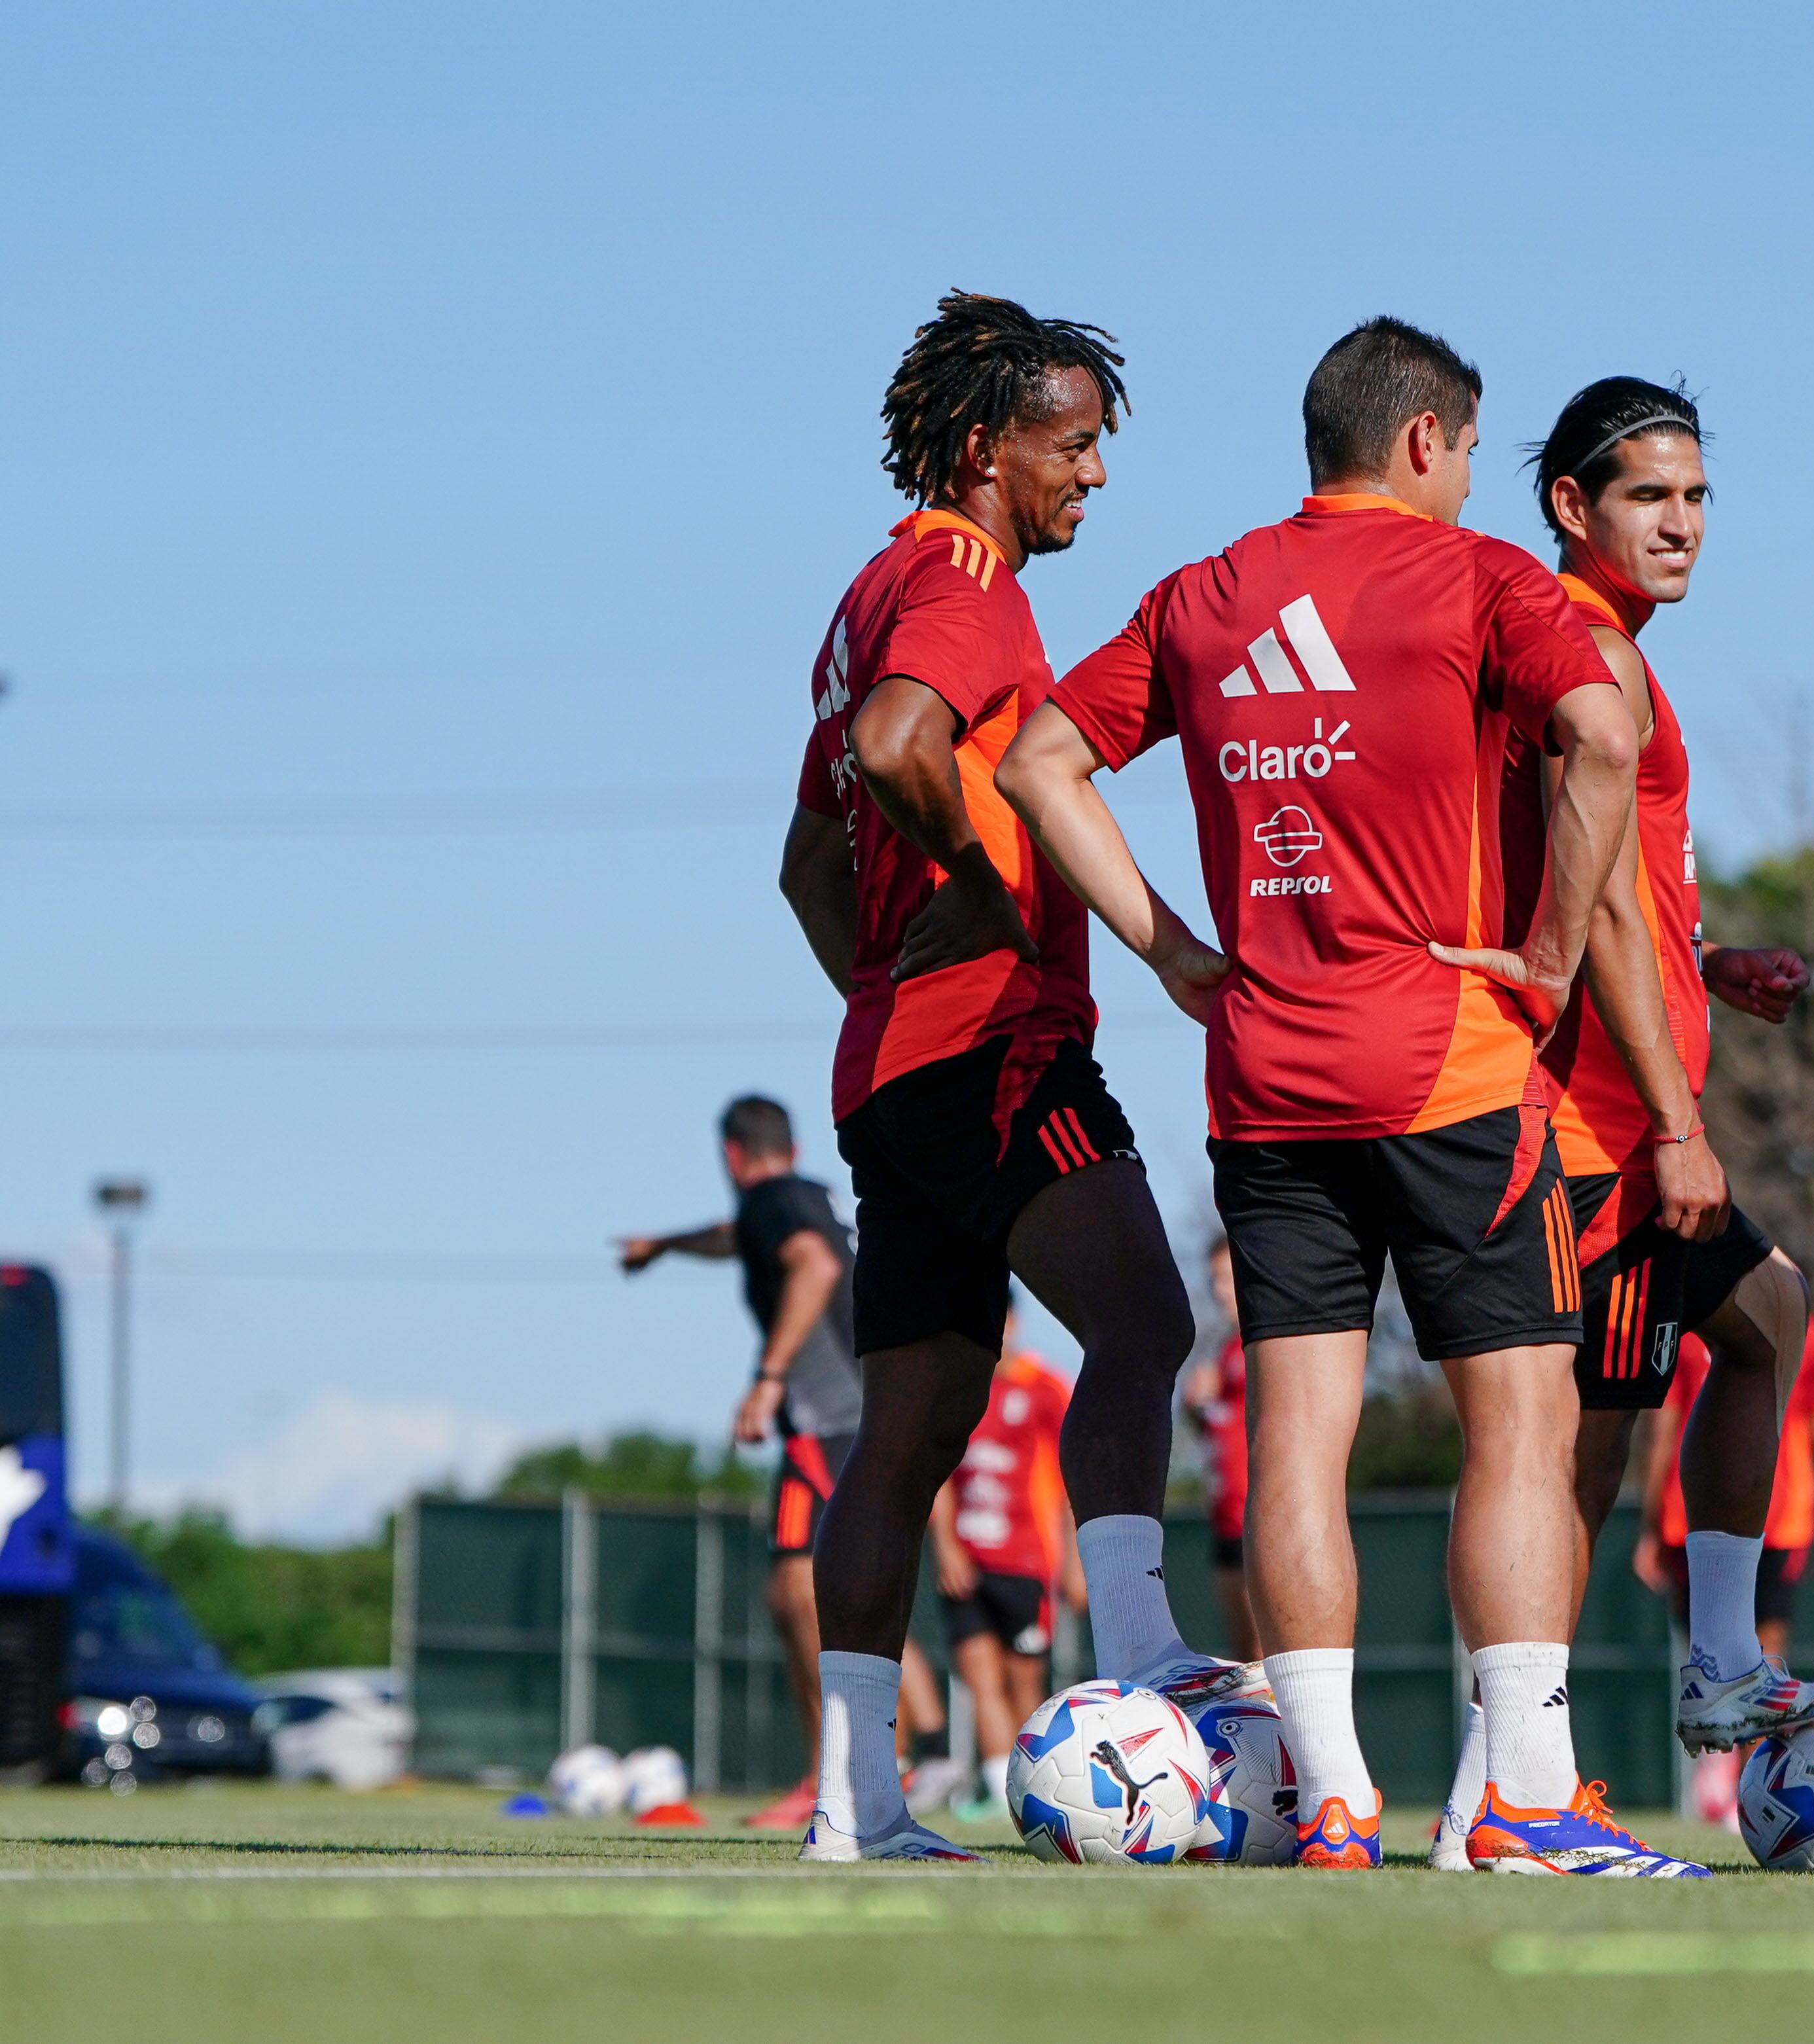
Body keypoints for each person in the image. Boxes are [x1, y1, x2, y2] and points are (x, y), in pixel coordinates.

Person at [1003, 317, 1698, 1874]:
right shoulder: (1479, 582)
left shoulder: (1205, 595)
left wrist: (1170, 945)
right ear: (1428, 442)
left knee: (1297, 1442)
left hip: (1263, 1084)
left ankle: (1333, 1803)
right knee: (1519, 1423)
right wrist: (1541, 947)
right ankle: (1515, 1798)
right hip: (1449, 1065)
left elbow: (1043, 760)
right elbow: (1604, 729)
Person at [777, 293, 1232, 1863]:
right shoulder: (963, 582)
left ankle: (857, 1805)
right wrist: (975, 906)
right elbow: (905, 747)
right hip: (992, 1050)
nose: (1093, 478)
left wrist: (881, 982)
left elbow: (803, 863)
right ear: (988, 450)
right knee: (1148, 1317)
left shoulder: (870, 588)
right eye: (1075, 444)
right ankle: (1141, 1659)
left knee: (912, 1429)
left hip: (893, 1071)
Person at [1425, 379, 1814, 1873]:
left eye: (1699, 498)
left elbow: (1613, 898)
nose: (1681, 524)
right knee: (1573, 1467)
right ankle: (1526, 1775)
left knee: (1748, 1336)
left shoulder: (1599, 652)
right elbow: (1580, 907)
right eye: (1650, 496)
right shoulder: (1588, 651)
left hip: (1616, 1112)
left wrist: (1716, 966)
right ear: (1570, 507)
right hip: (1593, 1133)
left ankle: (1668, 1685)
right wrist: (1674, 1118)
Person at [615, 1095, 940, 1829]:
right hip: (875, 1409)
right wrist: (664, 1245)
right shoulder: (804, 1195)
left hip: (830, 1423)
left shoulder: (771, 1202)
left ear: (732, 1155)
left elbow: (812, 1266)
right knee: (840, 1582)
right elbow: (741, 1237)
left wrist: (767, 1377)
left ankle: (838, 1772)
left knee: (798, 1590)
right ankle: (887, 1759)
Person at [1634, 1319, 1814, 1823]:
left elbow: (1664, 1427)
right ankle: (1750, 1783)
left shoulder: (1684, 1331)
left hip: (1692, 1511)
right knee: (1761, 1655)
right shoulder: (1801, 1326)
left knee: (1709, 1652)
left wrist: (1648, 1525)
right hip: (1775, 1504)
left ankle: (1730, 1773)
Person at [930, 1328, 1086, 1819]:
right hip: (969, 1564)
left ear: (1014, 1324)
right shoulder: (957, 1389)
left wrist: (1076, 1561)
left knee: (1024, 1682)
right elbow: (939, 1473)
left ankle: (1039, 1785)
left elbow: (1073, 1478)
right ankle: (1001, 1789)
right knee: (980, 1678)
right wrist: (947, 1545)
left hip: (1028, 1561)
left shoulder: (1046, 1387)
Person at [1181, 1239, 1259, 1660]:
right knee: (1243, 1652)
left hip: (1260, 1514)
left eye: (1229, 1278)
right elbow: (1218, 1431)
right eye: (1215, 1280)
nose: (1221, 1291)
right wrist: (1195, 1407)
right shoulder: (1225, 1349)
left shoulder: (1267, 1346)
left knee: (1272, 1652)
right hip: (1225, 1518)